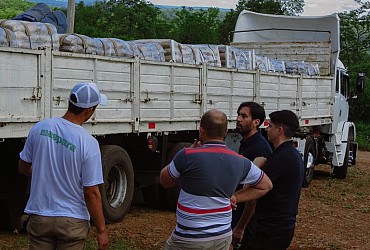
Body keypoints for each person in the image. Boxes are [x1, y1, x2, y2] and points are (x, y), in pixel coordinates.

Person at [160, 109, 273, 250]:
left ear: (201, 131)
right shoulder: (240, 161)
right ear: (225, 133)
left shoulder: (187, 155)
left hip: (190, 237)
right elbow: (266, 185)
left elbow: (165, 181)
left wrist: (187, 155)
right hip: (222, 236)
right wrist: (236, 197)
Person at [18, 82, 109, 250]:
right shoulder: (89, 143)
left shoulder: (39, 128)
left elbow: (23, 167)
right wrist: (101, 230)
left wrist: (44, 173)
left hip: (40, 216)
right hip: (72, 222)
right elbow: (91, 192)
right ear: (89, 110)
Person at [233, 110, 304, 250]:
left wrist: (234, 198)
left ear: (280, 130)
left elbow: (257, 188)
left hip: (272, 228)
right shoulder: (290, 154)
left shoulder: (282, 158)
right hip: (279, 225)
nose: (266, 129)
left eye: (270, 126)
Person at [231, 102, 273, 249]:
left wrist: (241, 227)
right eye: (238, 115)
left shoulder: (259, 148)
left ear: (256, 122)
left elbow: (255, 193)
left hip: (248, 219)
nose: (238, 119)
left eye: (244, 116)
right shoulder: (246, 142)